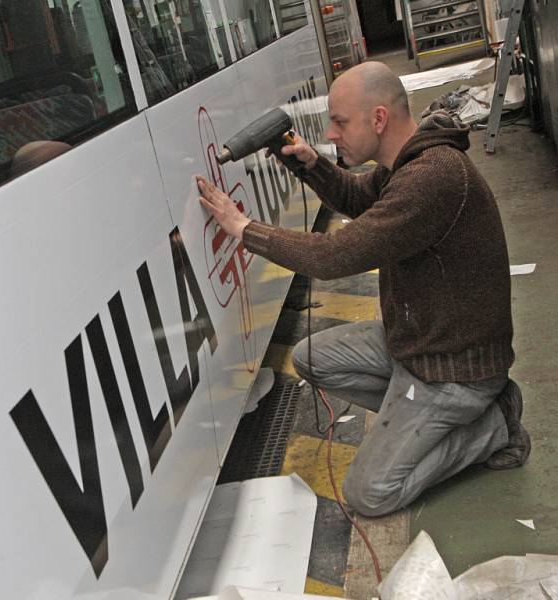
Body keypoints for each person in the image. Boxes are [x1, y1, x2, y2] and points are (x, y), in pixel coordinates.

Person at [195, 61, 530, 517]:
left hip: (454, 368)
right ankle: (424, 421)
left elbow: (333, 257)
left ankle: (494, 424)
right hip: (419, 344)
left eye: (340, 122)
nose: (331, 134)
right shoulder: (407, 163)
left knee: (369, 493)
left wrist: (244, 228)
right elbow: (359, 198)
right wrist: (312, 167)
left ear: (378, 119)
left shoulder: (432, 177)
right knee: (313, 358)